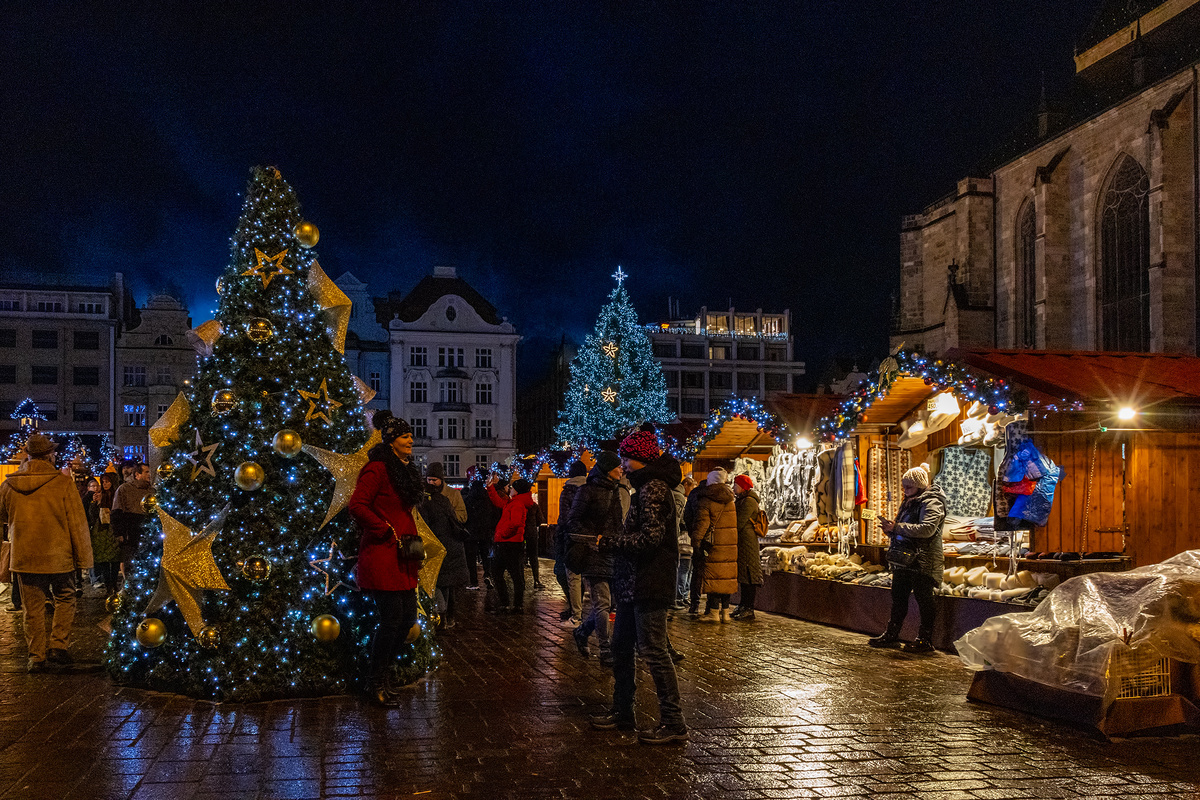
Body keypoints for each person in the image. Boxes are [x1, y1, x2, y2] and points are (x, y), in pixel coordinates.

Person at [590, 430, 687, 744]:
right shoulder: (644, 487)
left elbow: (650, 539)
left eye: (627, 458)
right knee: (621, 647)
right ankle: (623, 711)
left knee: (654, 651)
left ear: (641, 459)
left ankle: (674, 723)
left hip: (650, 581)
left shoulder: (653, 489)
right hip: (635, 583)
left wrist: (612, 543)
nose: (624, 464)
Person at [348, 411, 425, 707]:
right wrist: (384, 529)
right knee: (392, 619)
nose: (411, 440)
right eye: (405, 436)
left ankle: (383, 675)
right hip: (383, 555)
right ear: (391, 440)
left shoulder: (402, 470)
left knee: (406, 619)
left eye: (410, 435)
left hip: (404, 555)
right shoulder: (377, 469)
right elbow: (358, 505)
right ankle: (374, 681)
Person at [0, 434, 93, 672]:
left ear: (28, 456)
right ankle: (58, 646)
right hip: (58, 556)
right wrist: (84, 559)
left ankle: (36, 656)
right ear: (49, 455)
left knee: (32, 609)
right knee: (65, 598)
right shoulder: (62, 484)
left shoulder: (9, 485)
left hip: (24, 557)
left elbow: (2, 517)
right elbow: (77, 524)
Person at [870, 463, 946, 653]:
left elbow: (927, 529)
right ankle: (891, 634)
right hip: (905, 559)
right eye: (904, 486)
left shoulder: (932, 502)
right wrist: (891, 530)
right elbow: (906, 527)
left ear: (920, 485)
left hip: (923, 560)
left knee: (925, 600)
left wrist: (896, 527)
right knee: (898, 597)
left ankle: (925, 639)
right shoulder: (910, 500)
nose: (905, 490)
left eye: (909, 487)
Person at [564, 450, 623, 665]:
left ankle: (582, 632)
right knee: (602, 603)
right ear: (608, 470)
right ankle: (606, 650)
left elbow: (617, 523)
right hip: (594, 553)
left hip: (613, 552)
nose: (621, 469)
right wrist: (592, 539)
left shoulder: (616, 490)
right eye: (617, 466)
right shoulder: (586, 491)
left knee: (611, 603)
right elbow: (572, 521)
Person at [420, 465, 469, 629]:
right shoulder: (425, 498)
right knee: (444, 584)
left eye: (434, 479)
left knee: (445, 585)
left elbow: (462, 516)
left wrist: (447, 515)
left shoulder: (452, 494)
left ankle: (445, 617)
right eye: (429, 480)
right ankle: (444, 617)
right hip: (444, 546)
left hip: (446, 545)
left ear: (441, 480)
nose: (432, 482)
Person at [690, 469, 737, 621]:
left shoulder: (706, 499)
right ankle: (725, 612)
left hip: (713, 545)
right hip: (729, 544)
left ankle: (713, 613)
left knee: (715, 577)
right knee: (725, 577)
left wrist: (696, 541)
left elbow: (702, 524)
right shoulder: (730, 500)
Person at [490, 477, 540, 614]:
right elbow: (498, 502)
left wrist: (503, 535)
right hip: (510, 543)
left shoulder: (517, 504)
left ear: (517, 491)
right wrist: (490, 487)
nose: (510, 490)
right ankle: (515, 605)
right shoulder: (514, 502)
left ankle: (509, 604)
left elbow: (516, 523)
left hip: (509, 543)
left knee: (504, 573)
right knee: (514, 574)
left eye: (512, 488)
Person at [555, 459, 588, 627]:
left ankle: (576, 613)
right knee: (588, 576)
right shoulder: (590, 488)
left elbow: (565, 517)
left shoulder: (568, 490)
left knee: (569, 575)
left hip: (570, 538)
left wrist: (562, 533)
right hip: (589, 538)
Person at [731, 474, 764, 621]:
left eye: (735, 485)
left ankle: (749, 608)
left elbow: (738, 522)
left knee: (750, 576)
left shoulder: (749, 502)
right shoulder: (743, 500)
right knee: (744, 576)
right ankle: (743, 605)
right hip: (744, 543)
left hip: (748, 544)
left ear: (742, 486)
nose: (733, 488)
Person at [111, 462, 152, 569]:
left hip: (148, 534)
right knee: (131, 564)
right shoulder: (125, 489)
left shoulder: (152, 491)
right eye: (146, 472)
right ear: (137, 475)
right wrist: (119, 533)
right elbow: (116, 512)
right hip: (130, 534)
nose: (149, 474)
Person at [463, 469, 499, 589]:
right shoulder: (487, 500)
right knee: (485, 556)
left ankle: (474, 582)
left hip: (471, 533)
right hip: (485, 532)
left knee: (471, 559)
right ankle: (487, 575)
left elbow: (464, 517)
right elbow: (494, 515)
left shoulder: (468, 500)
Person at [87, 473, 121, 597]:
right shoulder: (99, 496)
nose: (105, 484)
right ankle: (108, 585)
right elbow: (92, 515)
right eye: (103, 482)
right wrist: (95, 503)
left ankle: (114, 583)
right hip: (101, 532)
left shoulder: (116, 495)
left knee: (115, 559)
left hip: (113, 530)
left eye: (107, 481)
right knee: (104, 560)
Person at [672, 475, 696, 609]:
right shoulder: (680, 498)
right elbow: (680, 519)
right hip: (683, 541)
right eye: (691, 487)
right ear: (686, 485)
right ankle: (680, 596)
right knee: (684, 570)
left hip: (686, 541)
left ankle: (683, 595)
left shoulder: (683, 498)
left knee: (687, 570)